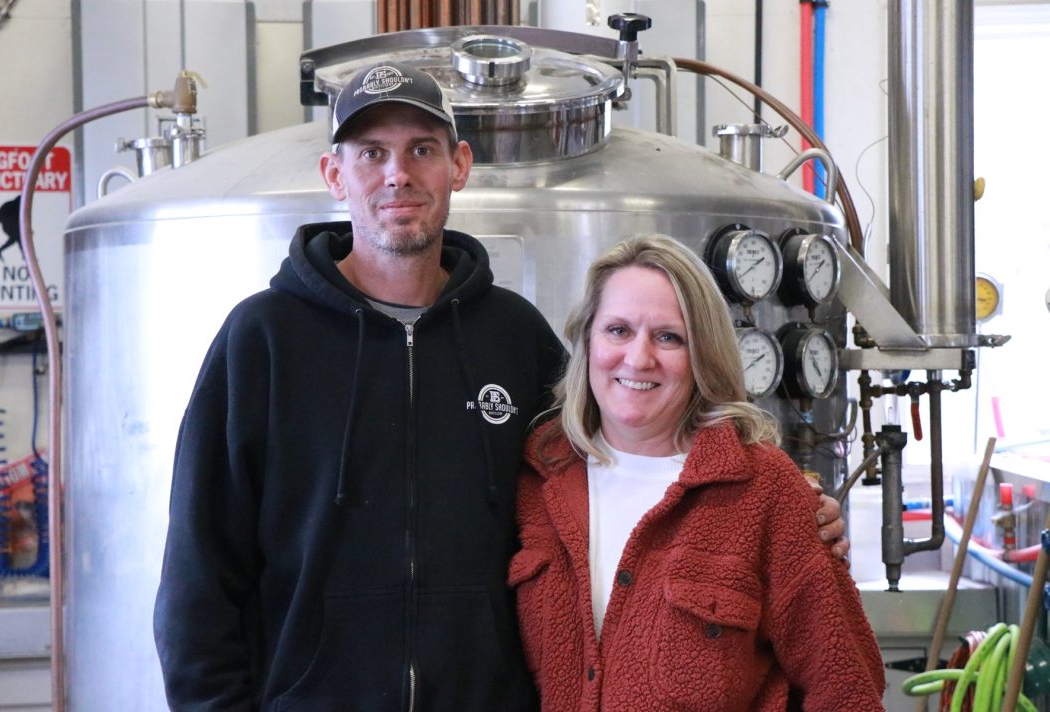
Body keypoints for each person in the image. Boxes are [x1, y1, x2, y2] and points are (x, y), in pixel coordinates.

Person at [153, 61, 849, 710]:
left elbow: (624, 455)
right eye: (372, 153)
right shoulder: (264, 340)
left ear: (459, 166)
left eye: (422, 149)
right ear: (335, 174)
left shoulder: (511, 335)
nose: (398, 175)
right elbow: (198, 580)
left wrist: (791, 513)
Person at [509, 234, 885, 711]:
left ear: (702, 354)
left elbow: (846, 688)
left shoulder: (763, 488)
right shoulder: (537, 476)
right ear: (587, 341)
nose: (638, 358)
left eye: (669, 337)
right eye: (618, 330)